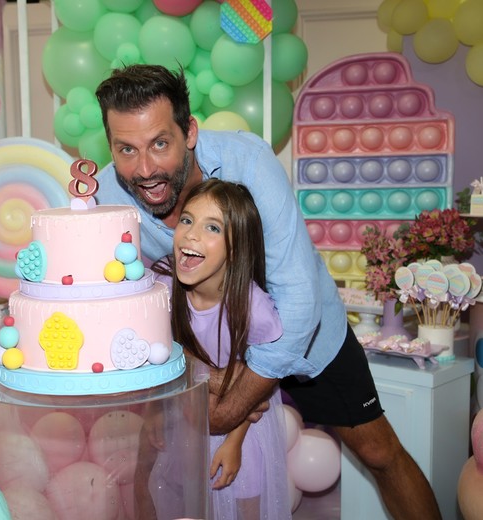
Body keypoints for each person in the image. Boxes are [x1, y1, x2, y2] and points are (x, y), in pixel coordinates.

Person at [94, 64, 442, 520]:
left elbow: (297, 299)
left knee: (379, 451)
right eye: (126, 149)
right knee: (148, 465)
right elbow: (126, 299)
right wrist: (175, 386)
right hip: (202, 349)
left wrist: (230, 410)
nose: (145, 169)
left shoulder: (250, 163)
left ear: (190, 132)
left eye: (160, 143)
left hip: (307, 336)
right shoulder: (104, 198)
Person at [152, 178, 291, 519]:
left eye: (212, 227)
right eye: (187, 220)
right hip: (185, 424)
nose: (192, 234)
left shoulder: (253, 308)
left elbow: (257, 390)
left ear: (237, 246)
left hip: (245, 431)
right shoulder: (162, 287)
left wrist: (234, 442)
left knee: (242, 502)